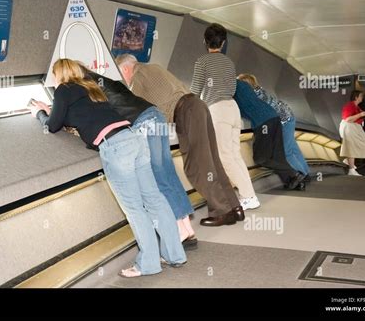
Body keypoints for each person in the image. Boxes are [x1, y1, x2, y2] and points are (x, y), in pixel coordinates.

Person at [30, 59, 186, 277]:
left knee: (134, 209)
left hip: (115, 147)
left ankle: (147, 264)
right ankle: (175, 255)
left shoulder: (64, 89)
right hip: (134, 138)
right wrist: (54, 110)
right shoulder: (90, 87)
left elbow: (52, 125)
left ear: (59, 76)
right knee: (154, 199)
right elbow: (81, 114)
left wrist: (40, 113)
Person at [75, 61, 197, 248]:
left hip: (142, 122)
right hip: (155, 114)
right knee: (167, 173)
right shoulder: (107, 80)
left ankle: (179, 230)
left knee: (158, 178)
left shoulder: (88, 87)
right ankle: (187, 228)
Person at [116, 54, 244, 226]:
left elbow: (133, 106)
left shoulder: (138, 75)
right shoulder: (155, 67)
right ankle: (234, 207)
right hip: (197, 106)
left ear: (125, 68)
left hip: (186, 113)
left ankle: (222, 211)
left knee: (196, 167)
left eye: (121, 74)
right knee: (213, 161)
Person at [189, 23, 260, 210]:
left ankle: (247, 195)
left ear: (205, 41)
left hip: (218, 110)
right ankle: (249, 196)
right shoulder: (229, 63)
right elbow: (231, 88)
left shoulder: (202, 61)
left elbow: (195, 91)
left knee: (225, 157)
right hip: (232, 109)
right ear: (223, 43)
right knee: (235, 155)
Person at [234, 79, 306, 190]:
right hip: (273, 118)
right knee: (277, 156)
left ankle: (295, 174)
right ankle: (293, 181)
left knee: (261, 158)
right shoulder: (242, 85)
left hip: (263, 122)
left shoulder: (232, 86)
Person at [339, 90, 365, 176]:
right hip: (349, 127)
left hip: (354, 127)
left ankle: (348, 161)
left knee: (361, 145)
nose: (362, 98)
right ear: (356, 97)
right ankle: (351, 169)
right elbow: (348, 119)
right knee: (351, 147)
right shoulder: (350, 106)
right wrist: (361, 114)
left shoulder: (356, 107)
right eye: (361, 96)